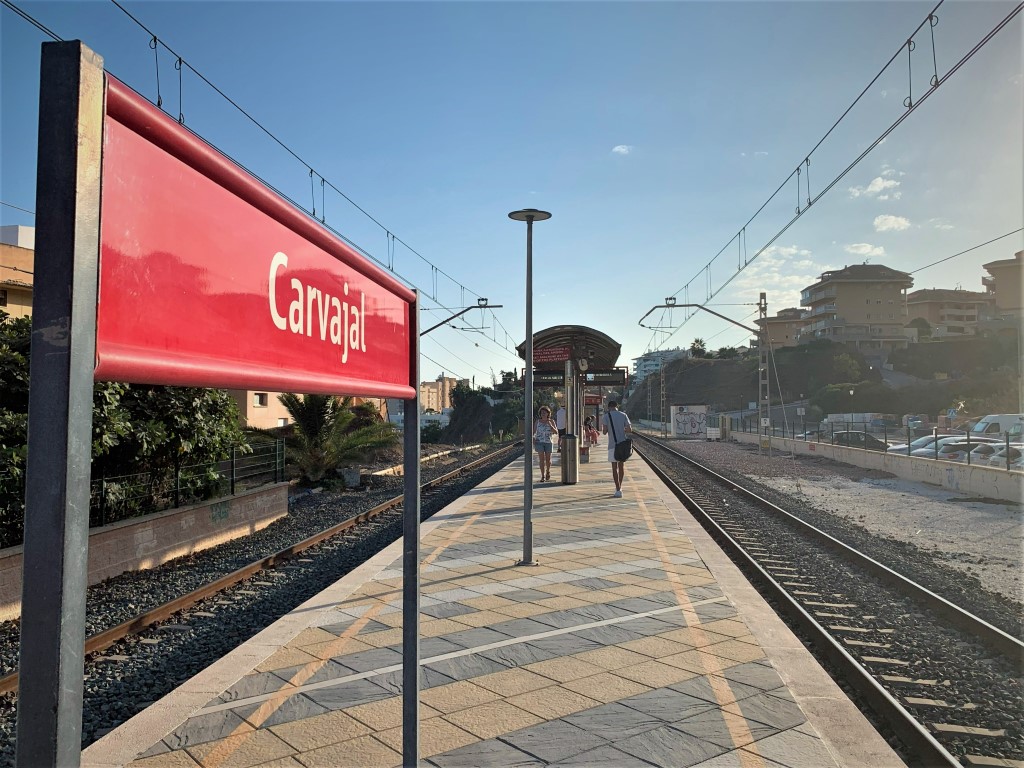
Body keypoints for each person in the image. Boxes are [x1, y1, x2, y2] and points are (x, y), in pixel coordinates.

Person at [601, 401, 632, 498]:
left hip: (612, 445)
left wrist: (608, 429)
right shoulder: (623, 415)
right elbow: (629, 429)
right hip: (622, 444)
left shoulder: (606, 416)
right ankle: (620, 487)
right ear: (616, 406)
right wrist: (622, 430)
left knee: (614, 468)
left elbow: (604, 432)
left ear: (608, 407)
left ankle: (617, 489)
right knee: (621, 466)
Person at [533, 406, 555, 482]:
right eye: (542, 413)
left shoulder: (551, 421)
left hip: (549, 442)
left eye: (544, 413)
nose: (543, 414)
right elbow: (534, 432)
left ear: (548, 413)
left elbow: (556, 432)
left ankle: (548, 471)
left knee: (548, 460)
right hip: (539, 442)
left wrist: (550, 425)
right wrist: (533, 438)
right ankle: (542, 476)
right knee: (541, 460)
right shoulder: (537, 421)